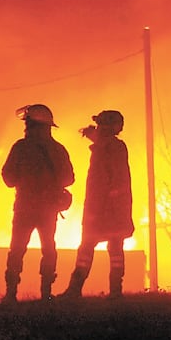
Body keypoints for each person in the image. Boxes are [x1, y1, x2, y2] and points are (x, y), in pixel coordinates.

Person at [1, 104, 75, 303]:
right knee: (49, 249)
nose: (26, 128)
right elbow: (69, 178)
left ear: (35, 125)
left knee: (17, 249)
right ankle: (46, 293)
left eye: (28, 124)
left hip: (24, 207)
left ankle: (11, 293)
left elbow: (8, 178)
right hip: (48, 209)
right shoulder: (58, 150)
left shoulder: (20, 148)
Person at [59, 109, 134, 299]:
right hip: (111, 208)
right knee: (114, 248)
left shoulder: (111, 148)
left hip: (104, 208)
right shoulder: (112, 146)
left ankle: (75, 290)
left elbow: (108, 176)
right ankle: (115, 292)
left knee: (88, 247)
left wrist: (105, 204)